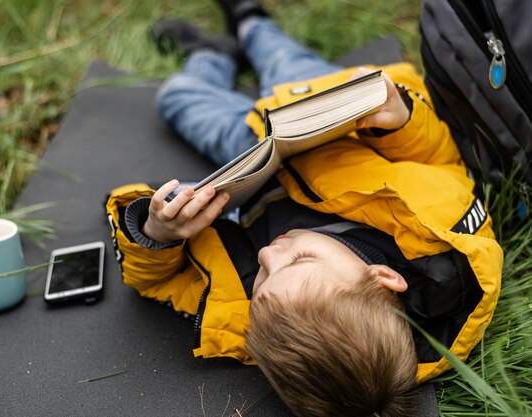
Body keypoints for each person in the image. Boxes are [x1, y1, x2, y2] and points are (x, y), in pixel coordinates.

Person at [105, 1, 504, 416]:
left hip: (246, 156)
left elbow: (157, 283)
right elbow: (439, 161)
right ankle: (251, 20)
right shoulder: (438, 236)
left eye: (260, 281)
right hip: (321, 117)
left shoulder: (261, 325)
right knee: (280, 57)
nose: (266, 255)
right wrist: (401, 120)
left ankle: (213, 54)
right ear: (383, 278)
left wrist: (157, 235)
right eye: (298, 260)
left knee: (176, 98)